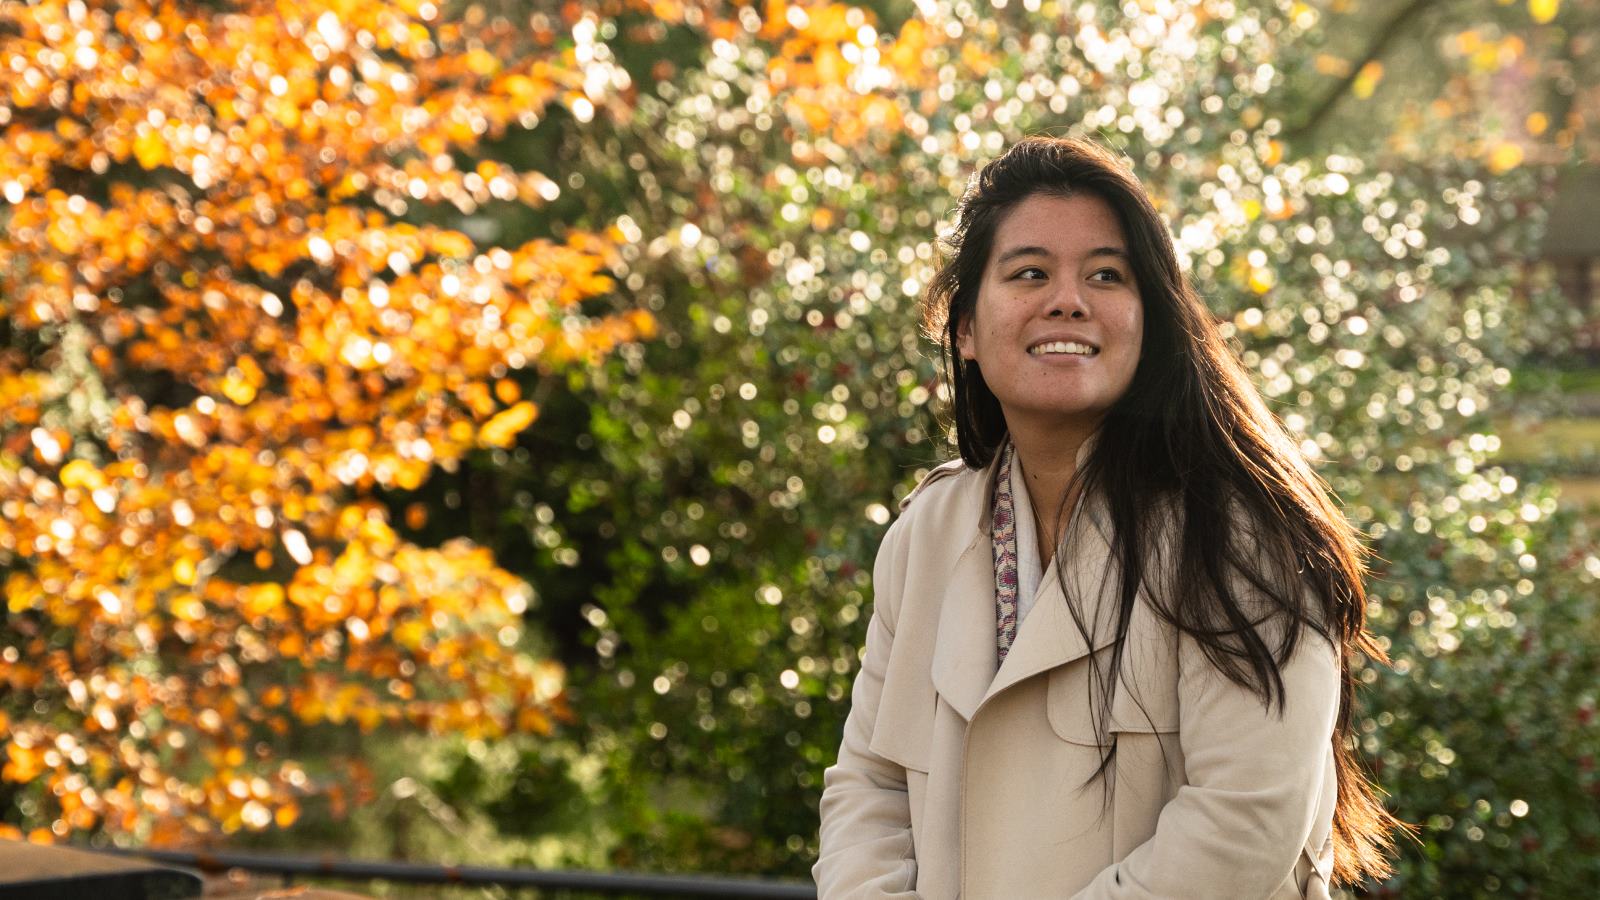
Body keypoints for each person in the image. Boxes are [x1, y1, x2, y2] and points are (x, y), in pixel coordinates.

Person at [812, 136, 1404, 899]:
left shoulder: (1239, 537)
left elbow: (1244, 822)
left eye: (1106, 275)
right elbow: (870, 786)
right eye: (1029, 273)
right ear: (962, 329)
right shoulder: (925, 536)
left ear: (1149, 320)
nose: (1068, 300)